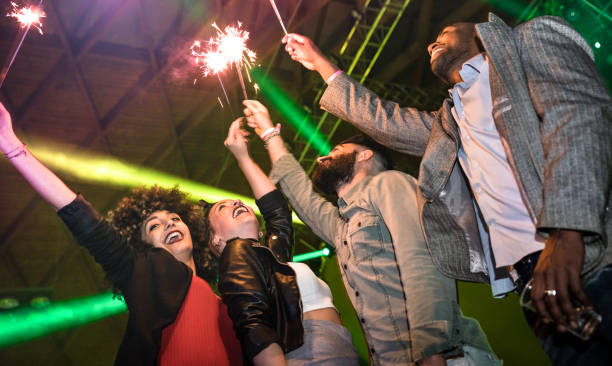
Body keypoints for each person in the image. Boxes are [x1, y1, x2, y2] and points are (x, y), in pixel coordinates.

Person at [283, 13, 612, 365]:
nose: (428, 43)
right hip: (531, 282)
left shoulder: (526, 42)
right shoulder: (447, 122)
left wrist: (567, 233)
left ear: (481, 31)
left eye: (443, 31)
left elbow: (579, 118)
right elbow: (382, 119)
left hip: (590, 251)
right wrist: (320, 64)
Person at [242, 100, 500, 366]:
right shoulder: (345, 225)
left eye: (337, 149)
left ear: (365, 154)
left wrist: (431, 349)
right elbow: (303, 196)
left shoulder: (389, 183)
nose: (321, 157)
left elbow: (420, 260)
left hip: (444, 357)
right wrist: (268, 134)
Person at [0, 101, 243, 366]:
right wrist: (12, 146)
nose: (170, 224)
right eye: (154, 225)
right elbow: (79, 215)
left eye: (175, 218)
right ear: (144, 247)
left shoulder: (231, 304)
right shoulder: (138, 271)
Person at [202, 119, 360, 366]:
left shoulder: (268, 261)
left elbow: (278, 214)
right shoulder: (236, 252)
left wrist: (243, 157)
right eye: (223, 206)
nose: (236, 203)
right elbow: (252, 324)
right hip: (309, 355)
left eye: (237, 201)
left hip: (334, 348)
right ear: (216, 240)